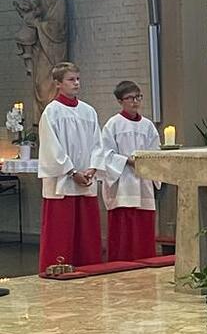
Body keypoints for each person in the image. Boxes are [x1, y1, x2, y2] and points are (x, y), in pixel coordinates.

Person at [37, 62, 104, 273]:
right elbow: (51, 147)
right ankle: (57, 270)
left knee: (87, 233)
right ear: (58, 83)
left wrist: (92, 168)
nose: (76, 83)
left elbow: (98, 143)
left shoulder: (88, 111)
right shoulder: (52, 112)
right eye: (71, 80)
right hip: (63, 182)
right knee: (61, 231)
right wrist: (72, 172)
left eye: (78, 79)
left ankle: (89, 269)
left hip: (86, 180)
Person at [101, 81, 161, 261]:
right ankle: (121, 263)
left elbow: (155, 151)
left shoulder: (148, 125)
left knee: (143, 229)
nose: (135, 101)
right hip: (122, 184)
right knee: (123, 232)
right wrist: (127, 160)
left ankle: (145, 262)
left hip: (143, 182)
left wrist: (145, 162)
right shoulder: (113, 124)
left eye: (138, 97)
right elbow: (106, 154)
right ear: (120, 101)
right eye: (130, 98)